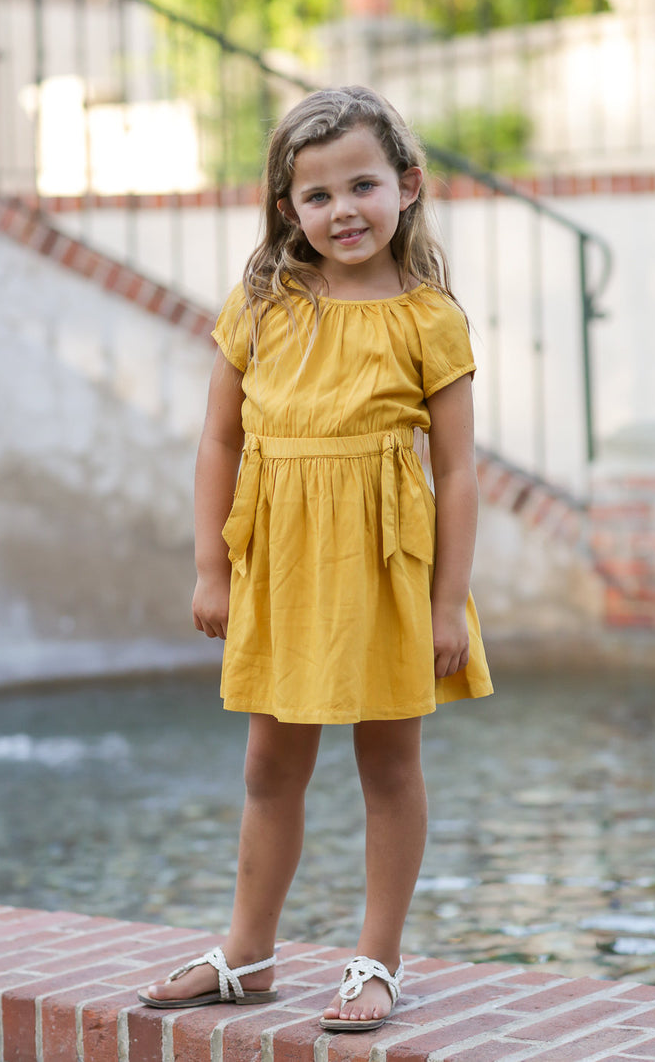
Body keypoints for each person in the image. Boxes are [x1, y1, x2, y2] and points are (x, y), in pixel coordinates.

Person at [138, 85, 493, 1032]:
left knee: (389, 766)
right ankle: (248, 956)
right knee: (268, 767)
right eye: (319, 195)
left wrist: (448, 601)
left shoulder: (429, 320)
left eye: (363, 185)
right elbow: (218, 442)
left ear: (408, 185)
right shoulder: (260, 308)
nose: (344, 211)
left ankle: (377, 960)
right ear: (286, 209)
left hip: (387, 571)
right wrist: (212, 569)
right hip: (281, 569)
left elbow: (456, 471)